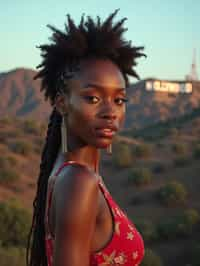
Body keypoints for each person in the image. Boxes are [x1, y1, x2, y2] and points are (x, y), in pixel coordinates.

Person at [26, 9, 146, 266]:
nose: (111, 112)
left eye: (119, 100)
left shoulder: (67, 174)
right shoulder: (79, 181)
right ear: (61, 103)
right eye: (93, 98)